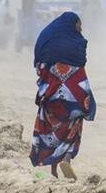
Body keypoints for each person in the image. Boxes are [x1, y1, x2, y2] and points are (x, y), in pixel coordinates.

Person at [30, 11, 96, 180]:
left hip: (50, 98)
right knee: (73, 127)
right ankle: (66, 158)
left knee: (50, 128)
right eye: (78, 25)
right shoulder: (76, 46)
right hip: (73, 100)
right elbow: (80, 76)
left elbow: (39, 69)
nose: (80, 30)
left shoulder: (46, 42)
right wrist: (88, 101)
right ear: (73, 25)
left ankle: (50, 168)